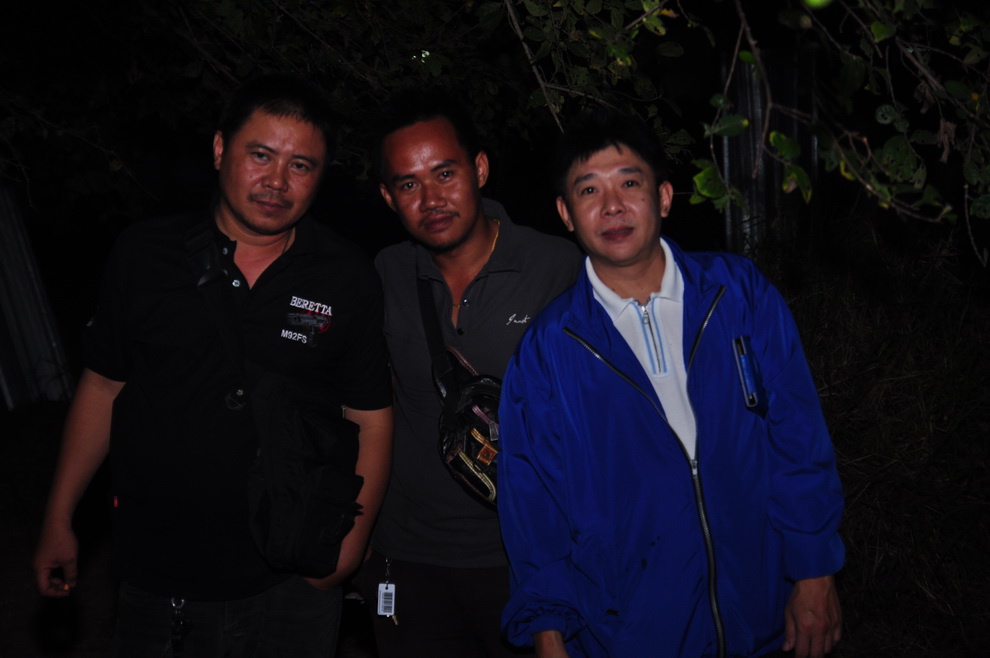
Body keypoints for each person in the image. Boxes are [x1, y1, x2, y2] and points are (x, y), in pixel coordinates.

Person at [32, 74, 393, 657]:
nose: (277, 181)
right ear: (221, 149)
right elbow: (102, 386)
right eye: (261, 155)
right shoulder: (144, 255)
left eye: (301, 165)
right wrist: (59, 515)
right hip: (159, 573)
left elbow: (370, 416)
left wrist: (344, 552)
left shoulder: (345, 275)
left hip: (290, 574)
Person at [497, 111, 845, 658]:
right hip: (628, 633)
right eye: (589, 190)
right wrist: (548, 632)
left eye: (629, 183)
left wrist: (814, 570)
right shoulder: (548, 351)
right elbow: (532, 503)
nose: (612, 206)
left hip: (765, 613)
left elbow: (799, 439)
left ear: (662, 197)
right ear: (566, 213)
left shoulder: (739, 295)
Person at [364, 93, 583, 657]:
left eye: (445, 173)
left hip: (524, 559)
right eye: (408, 184)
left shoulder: (557, 268)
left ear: (479, 169)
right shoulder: (384, 274)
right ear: (388, 197)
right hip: (407, 558)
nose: (431, 199)